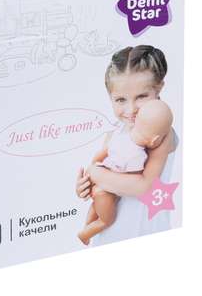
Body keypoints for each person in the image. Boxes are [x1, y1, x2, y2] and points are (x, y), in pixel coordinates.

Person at [75, 45, 178, 245]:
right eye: (121, 99)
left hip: (145, 235)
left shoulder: (160, 134)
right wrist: (86, 185)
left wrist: (96, 174)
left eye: (141, 96)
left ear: (159, 88)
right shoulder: (114, 135)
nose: (131, 110)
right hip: (108, 236)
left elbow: (144, 187)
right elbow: (102, 173)